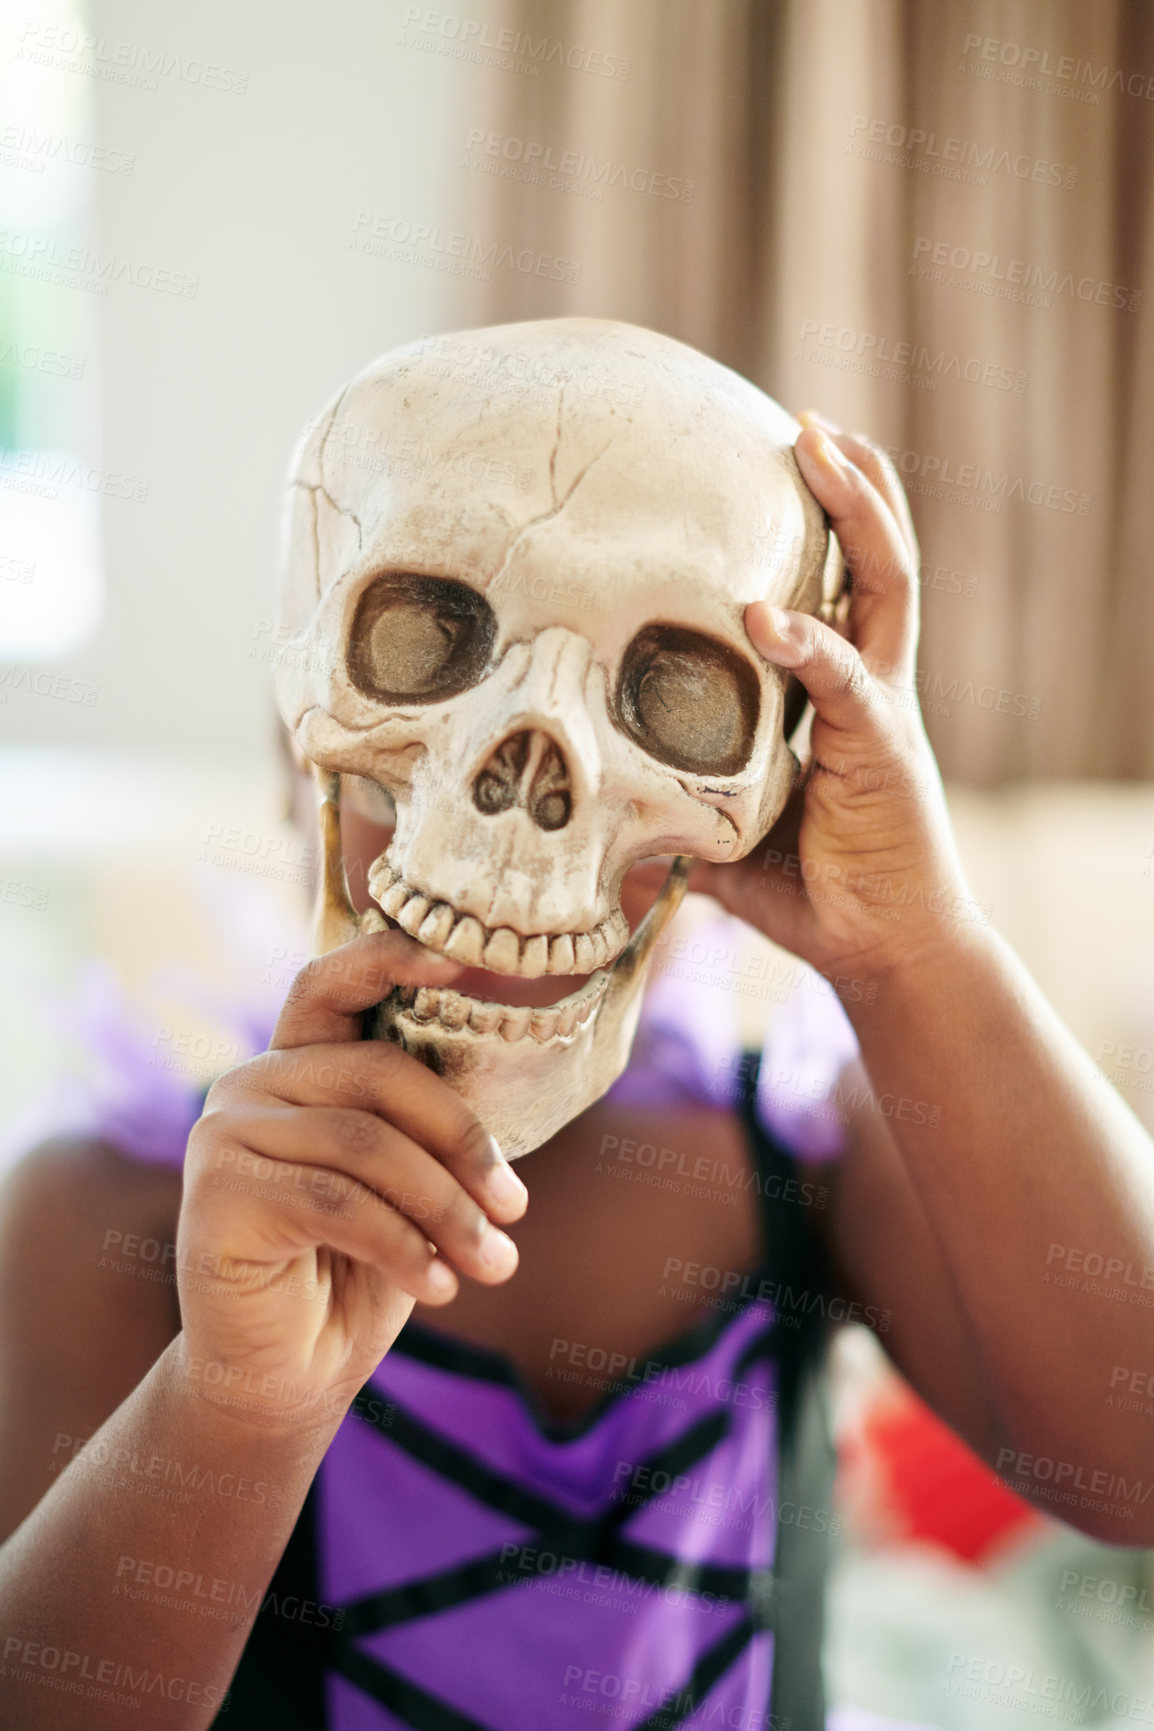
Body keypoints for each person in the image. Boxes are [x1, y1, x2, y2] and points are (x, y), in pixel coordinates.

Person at [0, 411, 1151, 1731]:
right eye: (429, 648)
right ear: (297, 728)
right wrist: (236, 1406)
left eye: (665, 698)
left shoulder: (812, 1155)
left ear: (766, 784)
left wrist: (913, 945)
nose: (533, 792)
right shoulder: (111, 1210)